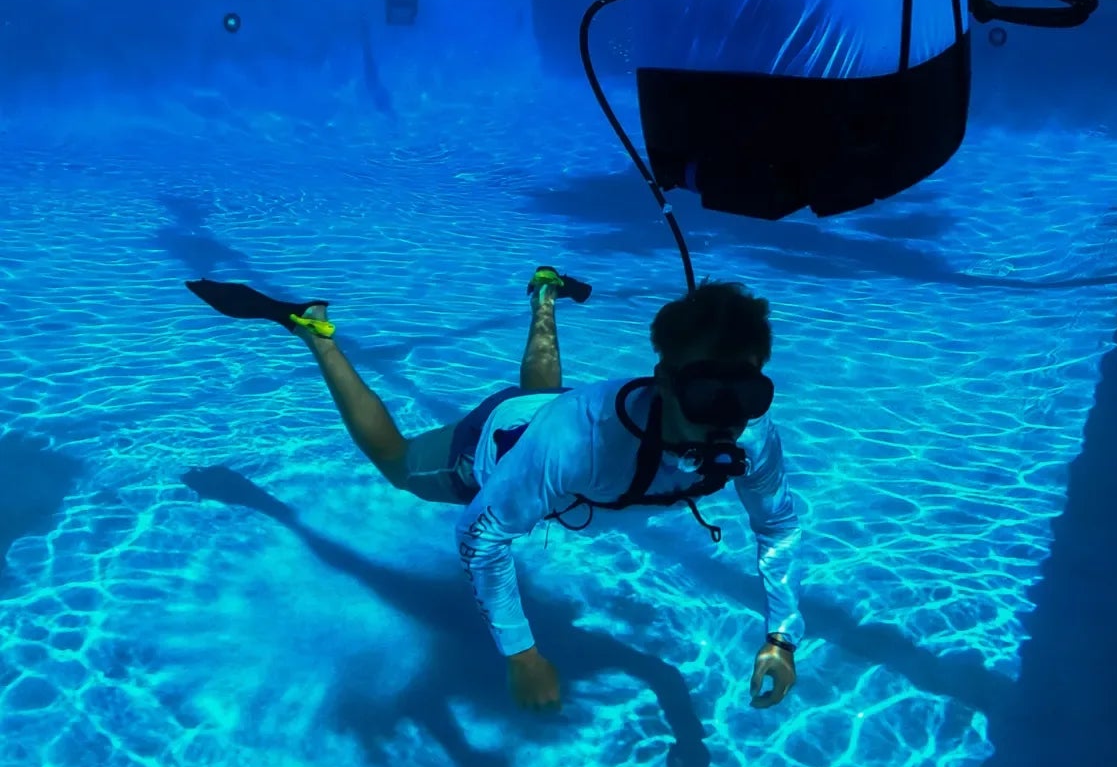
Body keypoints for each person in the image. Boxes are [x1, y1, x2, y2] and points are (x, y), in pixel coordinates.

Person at [187, 270, 803, 714]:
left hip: (547, 419)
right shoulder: (577, 444)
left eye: (745, 394)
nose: (726, 417)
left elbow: (777, 524)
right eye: (706, 395)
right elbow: (481, 538)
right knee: (396, 463)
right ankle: (315, 331)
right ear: (663, 382)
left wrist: (780, 638)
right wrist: (522, 655)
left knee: (541, 399)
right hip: (492, 447)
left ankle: (544, 292)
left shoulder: (751, 434)